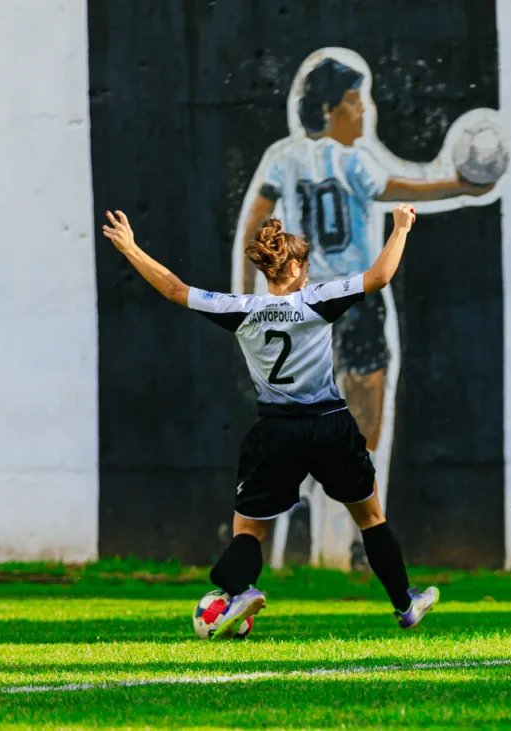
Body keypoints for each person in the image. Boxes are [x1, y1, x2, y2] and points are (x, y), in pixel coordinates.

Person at [102, 204, 439, 639]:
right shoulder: (316, 301)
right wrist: (400, 228)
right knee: (370, 517)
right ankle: (404, 604)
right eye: (306, 267)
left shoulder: (241, 308)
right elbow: (379, 277)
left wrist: (130, 248)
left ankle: (237, 590)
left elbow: (173, 289)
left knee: (249, 530)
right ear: (296, 267)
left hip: (277, 430)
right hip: (330, 426)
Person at [235, 57, 495, 569]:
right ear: (332, 110)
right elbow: (401, 189)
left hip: (303, 304)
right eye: (356, 100)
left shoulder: (282, 157)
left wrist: (252, 297)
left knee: (299, 411)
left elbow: (254, 221)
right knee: (362, 426)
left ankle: (306, 502)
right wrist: (462, 187)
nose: (365, 109)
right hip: (354, 300)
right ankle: (360, 532)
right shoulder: (352, 160)